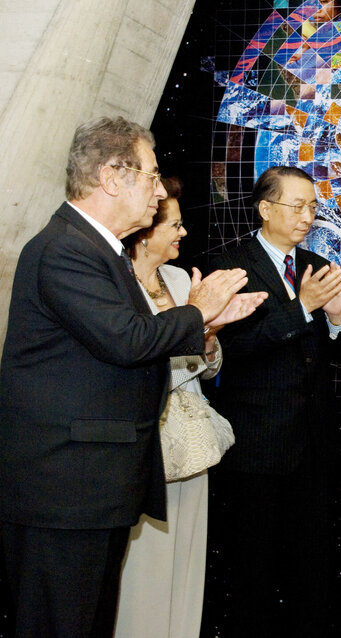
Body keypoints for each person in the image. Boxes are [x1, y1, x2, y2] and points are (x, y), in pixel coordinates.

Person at [0, 117, 264, 637]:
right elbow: (126, 341)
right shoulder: (65, 249)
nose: (159, 190)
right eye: (151, 175)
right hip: (65, 491)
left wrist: (202, 320)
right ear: (111, 177)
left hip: (94, 485)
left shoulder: (102, 251)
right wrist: (198, 311)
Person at [207, 165, 341, 635]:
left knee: (310, 571)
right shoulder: (231, 268)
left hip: (314, 448)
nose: (308, 216)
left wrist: (336, 319)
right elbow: (231, 351)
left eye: (313, 207)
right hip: (257, 446)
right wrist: (303, 308)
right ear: (265, 208)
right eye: (297, 206)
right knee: (252, 573)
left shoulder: (315, 266)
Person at [113, 177, 222, 637]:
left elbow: (209, 367)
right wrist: (192, 345)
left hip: (193, 447)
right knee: (144, 569)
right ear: (145, 232)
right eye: (174, 225)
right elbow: (140, 365)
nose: (182, 234)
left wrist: (210, 342)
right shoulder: (118, 286)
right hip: (145, 447)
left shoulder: (179, 279)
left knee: (187, 561)